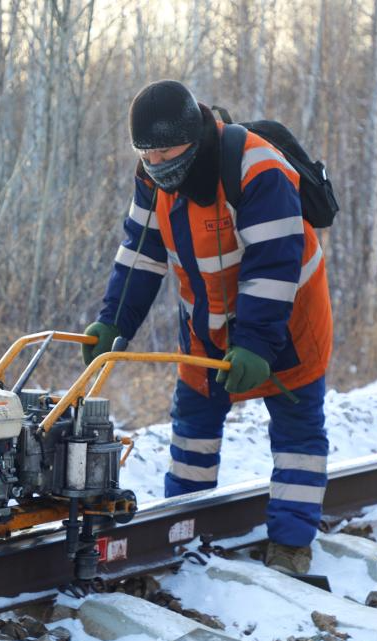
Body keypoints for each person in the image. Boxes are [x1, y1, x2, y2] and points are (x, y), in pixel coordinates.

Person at [81, 80, 333, 575]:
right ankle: (183, 532)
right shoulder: (152, 176)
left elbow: (273, 262)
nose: (156, 161)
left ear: (194, 137)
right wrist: (115, 321)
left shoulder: (256, 169)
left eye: (166, 150)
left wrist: (257, 344)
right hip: (207, 325)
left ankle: (291, 546)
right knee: (193, 427)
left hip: (287, 321)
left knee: (297, 435)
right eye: (146, 152)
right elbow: (140, 252)